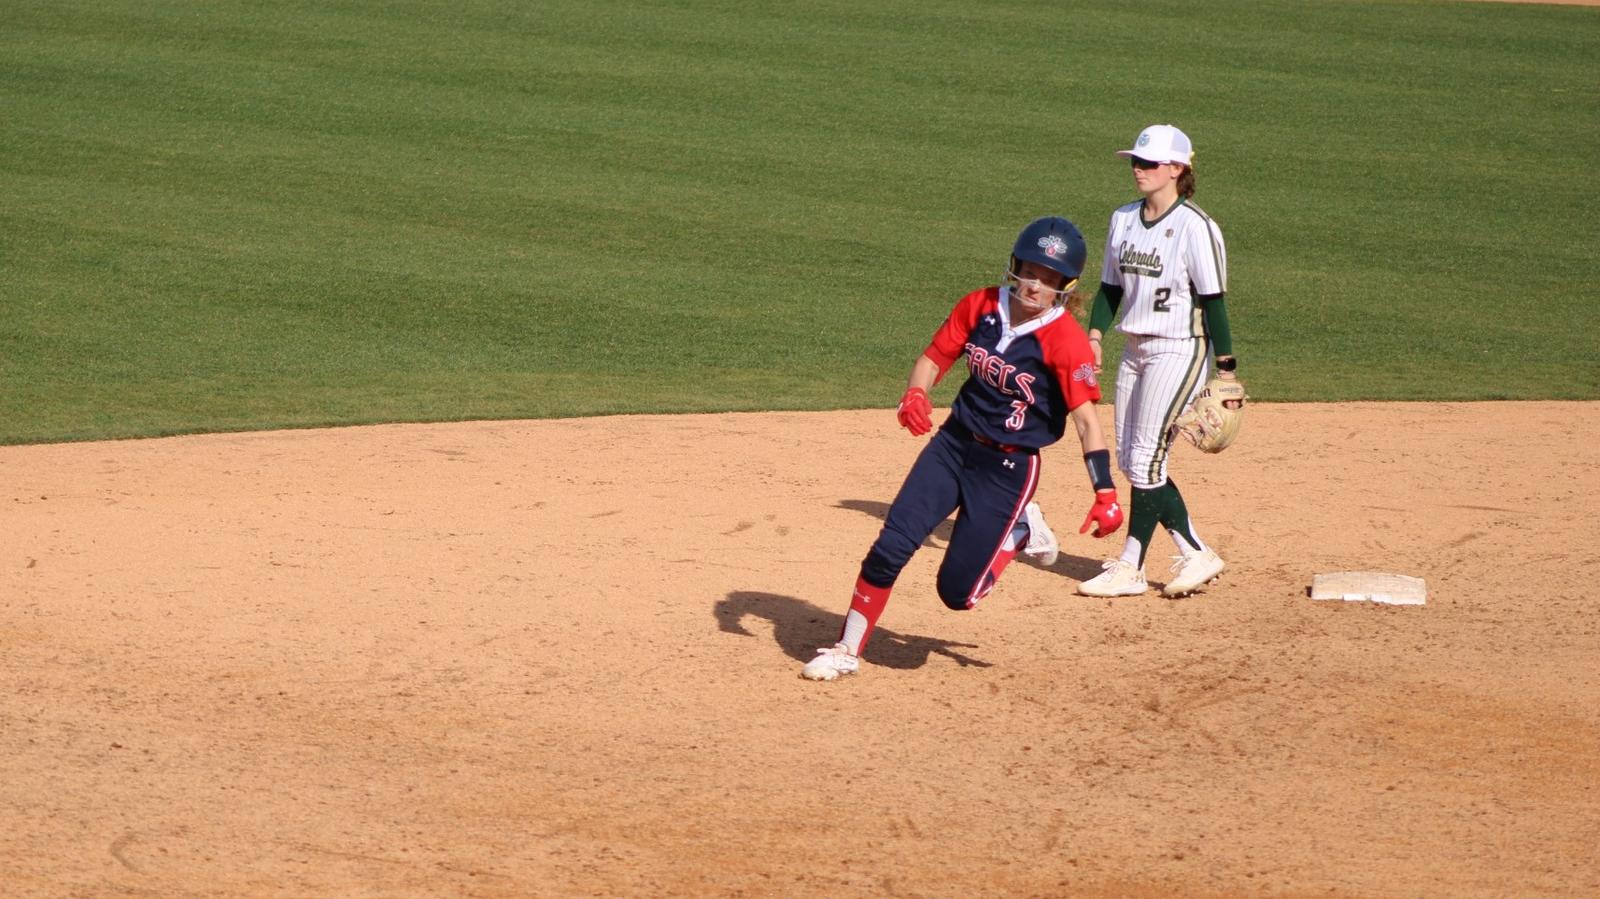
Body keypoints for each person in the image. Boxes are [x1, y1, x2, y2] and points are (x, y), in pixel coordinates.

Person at [802, 216, 1124, 681]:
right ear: (1015, 265)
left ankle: (1021, 532)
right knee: (891, 545)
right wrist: (915, 393)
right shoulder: (981, 306)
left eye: (1049, 279)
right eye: (1030, 271)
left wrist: (1105, 492)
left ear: (1065, 287)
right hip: (952, 445)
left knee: (957, 594)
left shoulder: (1066, 341)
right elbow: (934, 358)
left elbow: (1088, 422)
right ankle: (846, 649)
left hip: (1008, 468)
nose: (1035, 285)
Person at [1072, 123, 1239, 598]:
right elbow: (1110, 287)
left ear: (1177, 169)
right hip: (1134, 349)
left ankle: (1131, 566)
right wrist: (1096, 334)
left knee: (1147, 459)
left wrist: (1226, 368)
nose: (1138, 170)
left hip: (1179, 349)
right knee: (1132, 459)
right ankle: (1196, 551)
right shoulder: (1123, 218)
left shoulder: (1197, 227)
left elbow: (1214, 301)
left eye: (1149, 163)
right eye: (1136, 161)